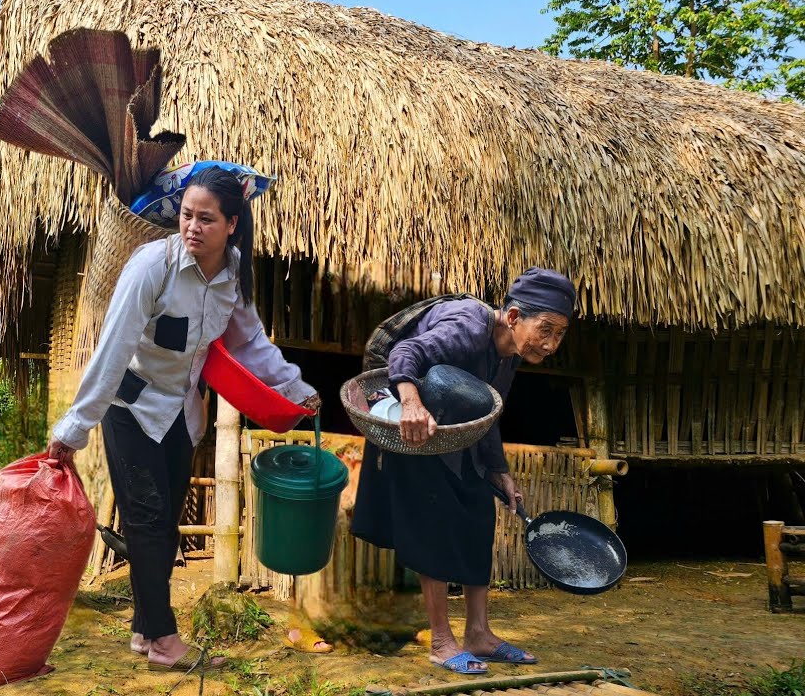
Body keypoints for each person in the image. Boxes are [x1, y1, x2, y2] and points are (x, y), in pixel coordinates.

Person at [47, 167, 321, 674]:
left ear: (232, 225)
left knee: (163, 528)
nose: (192, 227)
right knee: (148, 526)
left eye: (207, 219)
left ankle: (142, 631)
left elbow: (248, 342)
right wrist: (75, 426)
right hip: (129, 410)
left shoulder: (233, 274)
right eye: (187, 216)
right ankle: (166, 640)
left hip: (180, 414)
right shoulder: (153, 265)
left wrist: (295, 388)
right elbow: (113, 348)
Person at [351, 268, 575, 675]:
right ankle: (440, 641)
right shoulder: (470, 326)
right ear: (512, 317)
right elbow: (405, 355)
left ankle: (479, 634)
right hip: (410, 424)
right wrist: (411, 404)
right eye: (545, 329)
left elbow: (488, 411)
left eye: (560, 334)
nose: (551, 343)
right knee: (433, 521)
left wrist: (499, 471)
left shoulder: (509, 356)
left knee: (478, 513)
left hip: (452, 429)